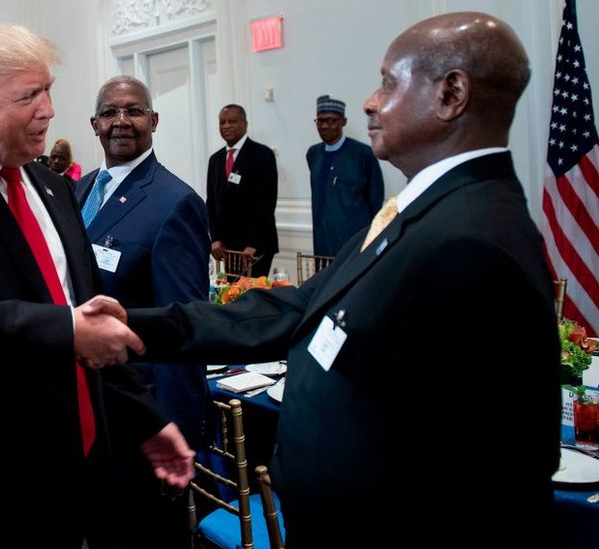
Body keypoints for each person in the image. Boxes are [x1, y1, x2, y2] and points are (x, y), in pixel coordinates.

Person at [105, 12, 559, 547]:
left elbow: (491, 466)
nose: (370, 101)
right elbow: (295, 308)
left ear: (450, 94)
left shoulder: (474, 239)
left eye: (389, 81)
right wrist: (131, 327)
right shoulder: (422, 208)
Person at [0, 23, 194, 548]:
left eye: (48, 90)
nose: (49, 110)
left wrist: (148, 421)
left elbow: (88, 321)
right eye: (28, 96)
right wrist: (63, 329)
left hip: (89, 457)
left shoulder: (55, 188)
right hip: (0, 473)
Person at [75, 75, 211, 547]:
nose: (121, 122)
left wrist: (175, 429)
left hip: (143, 414)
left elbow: (185, 327)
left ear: (153, 121)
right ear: (94, 124)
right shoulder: (80, 191)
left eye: (133, 111)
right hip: (90, 407)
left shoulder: (175, 203)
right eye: (110, 112)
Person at [307, 94, 385, 256]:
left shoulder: (362, 154)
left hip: (354, 241)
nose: (324, 126)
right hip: (321, 239)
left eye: (331, 121)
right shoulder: (314, 154)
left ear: (343, 122)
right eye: (320, 121)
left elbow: (375, 199)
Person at [206, 104, 278, 277]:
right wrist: (214, 239)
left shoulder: (262, 154)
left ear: (245, 124)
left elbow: (266, 203)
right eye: (222, 122)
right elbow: (211, 202)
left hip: (255, 247)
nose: (226, 126)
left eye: (232, 121)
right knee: (232, 298)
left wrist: (254, 243)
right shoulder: (215, 159)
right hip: (227, 248)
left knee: (255, 298)